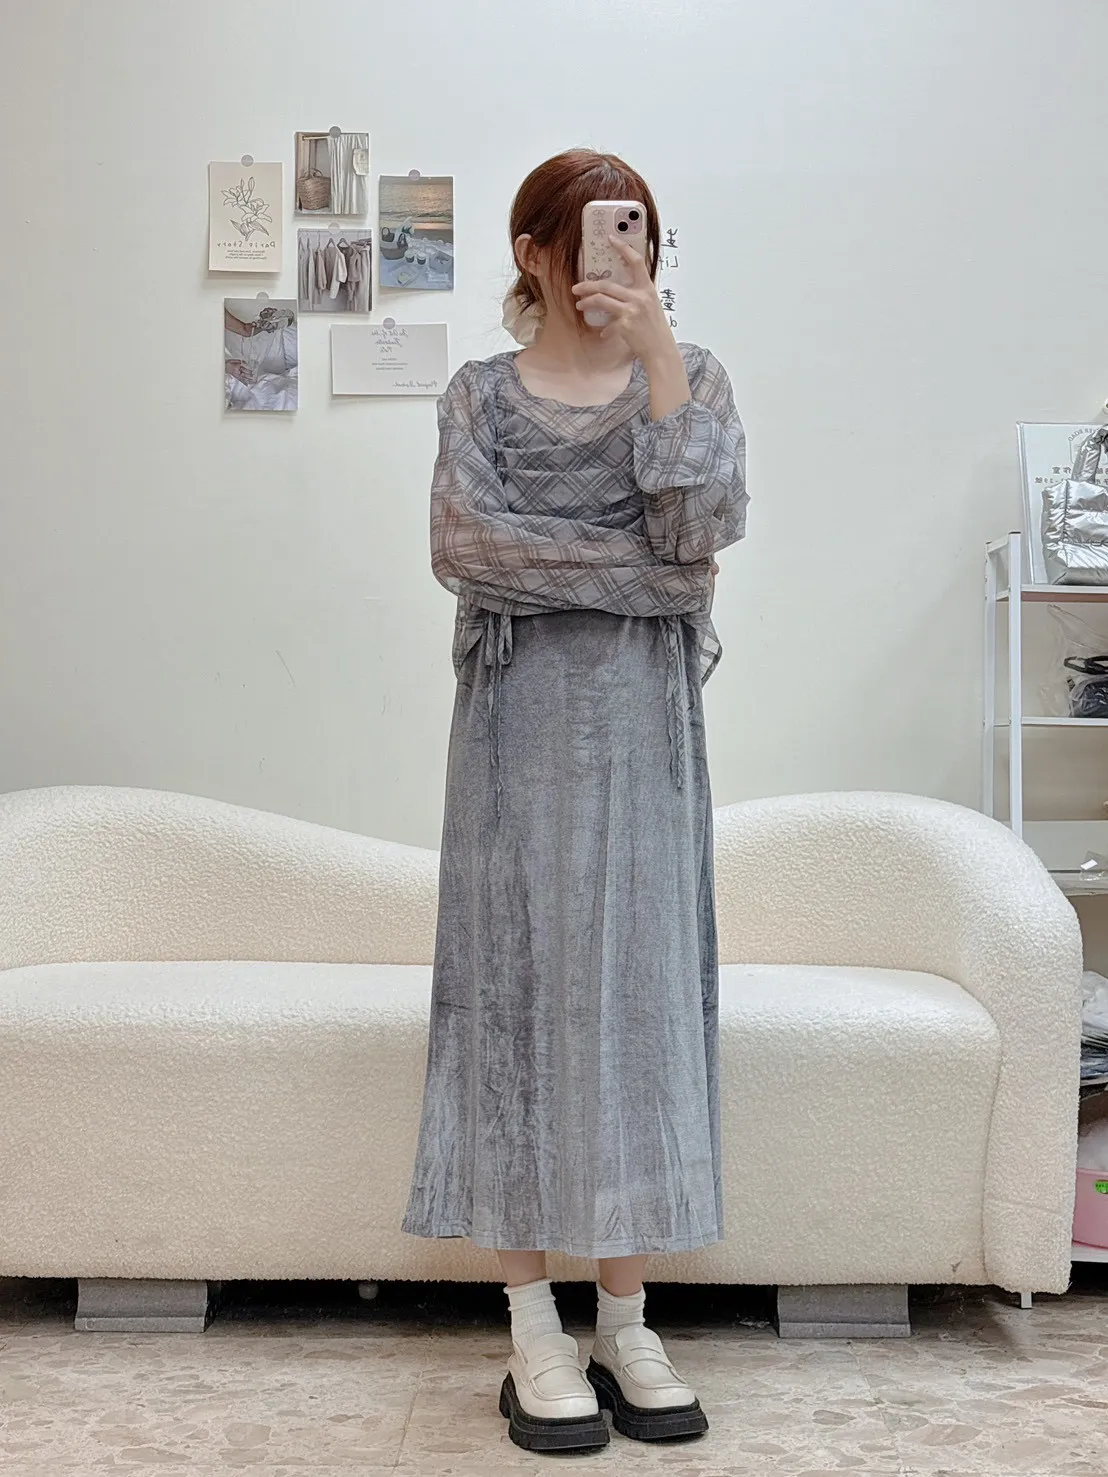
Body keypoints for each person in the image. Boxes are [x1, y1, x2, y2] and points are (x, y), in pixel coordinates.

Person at [401, 148, 748, 1453]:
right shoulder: (479, 396)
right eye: (604, 232)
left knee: (637, 1006)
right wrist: (644, 576)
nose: (625, 253)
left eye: (644, 232)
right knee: (516, 1002)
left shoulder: (692, 378)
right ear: (537, 251)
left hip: (645, 751)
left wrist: (656, 351)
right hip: (513, 746)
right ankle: (532, 1325)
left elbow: (699, 536)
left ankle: (628, 1320)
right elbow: (468, 550)